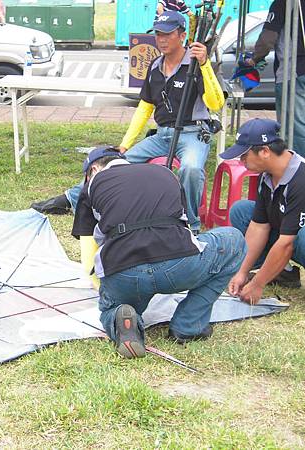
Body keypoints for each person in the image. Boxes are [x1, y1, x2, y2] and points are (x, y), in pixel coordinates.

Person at [33, 11, 224, 234]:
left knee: (191, 169)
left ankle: (191, 225)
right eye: (158, 34)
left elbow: (216, 103)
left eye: (168, 34)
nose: (161, 39)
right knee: (113, 163)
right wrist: (125, 144)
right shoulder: (155, 66)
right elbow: (145, 108)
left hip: (193, 133)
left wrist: (204, 64)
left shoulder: (194, 65)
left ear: (182, 35)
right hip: (162, 135)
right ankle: (70, 199)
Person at [72, 148, 246, 358]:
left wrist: (104, 289)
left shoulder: (92, 186)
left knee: (115, 307)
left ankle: (121, 318)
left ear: (93, 169)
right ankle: (188, 325)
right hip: (179, 265)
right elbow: (187, 226)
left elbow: (88, 248)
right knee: (234, 239)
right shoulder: (165, 173)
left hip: (124, 272)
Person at [225, 119, 305, 304]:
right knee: (242, 211)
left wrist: (258, 284)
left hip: (296, 239)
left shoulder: (301, 179)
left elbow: (286, 243)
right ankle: (282, 272)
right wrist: (241, 272)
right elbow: (258, 226)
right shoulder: (266, 175)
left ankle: (269, 271)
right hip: (288, 235)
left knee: (299, 235)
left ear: (265, 152)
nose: (241, 160)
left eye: (244, 155)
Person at [246, 0, 305, 158]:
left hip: (293, 72)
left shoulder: (282, 3)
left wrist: (253, 60)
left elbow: (267, 39)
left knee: (294, 129)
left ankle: (298, 172)